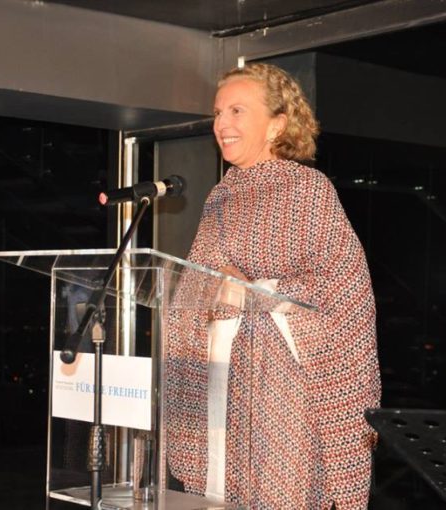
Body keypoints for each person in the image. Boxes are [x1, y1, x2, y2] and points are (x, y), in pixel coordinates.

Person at [165, 63, 381, 509]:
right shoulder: (220, 197)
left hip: (286, 388)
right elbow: (193, 290)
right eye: (218, 112)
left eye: (237, 111)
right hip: (224, 382)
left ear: (277, 125)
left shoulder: (308, 189)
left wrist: (255, 291)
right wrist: (211, 294)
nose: (221, 124)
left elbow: (343, 287)